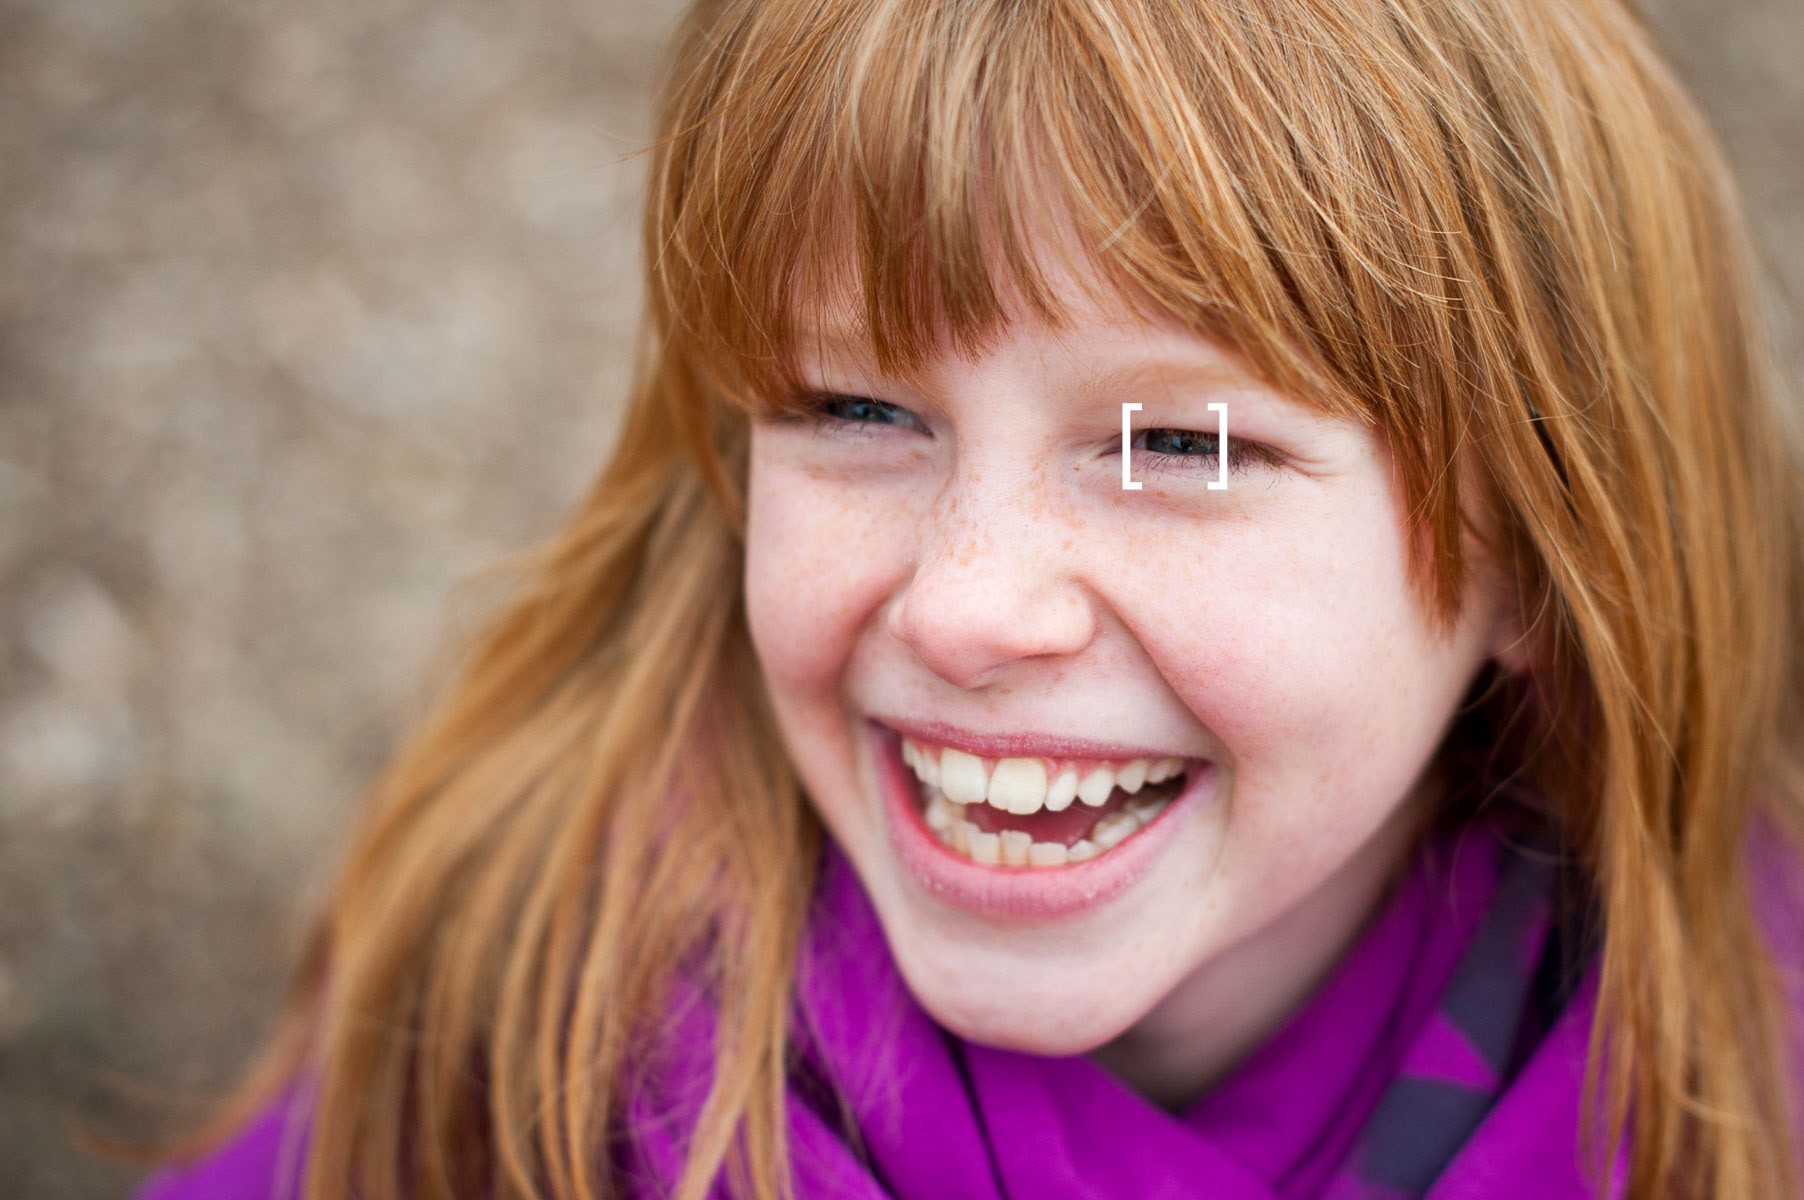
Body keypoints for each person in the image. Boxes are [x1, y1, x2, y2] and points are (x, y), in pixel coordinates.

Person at [119, 0, 1804, 1196]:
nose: (967, 607)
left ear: (1533, 543)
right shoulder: (502, 1037)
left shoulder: (1749, 1076)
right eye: (857, 411)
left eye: (1180, 442)